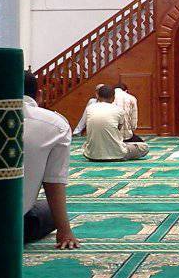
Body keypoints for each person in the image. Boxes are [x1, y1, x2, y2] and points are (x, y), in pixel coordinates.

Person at [22, 72, 79, 248]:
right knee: (46, 208)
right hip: (12, 227)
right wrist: (65, 231)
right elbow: (53, 181)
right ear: (39, 94)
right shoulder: (55, 124)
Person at [83, 85, 149, 161]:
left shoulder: (90, 108)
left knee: (85, 145)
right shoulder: (119, 110)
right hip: (117, 154)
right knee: (144, 147)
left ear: (97, 96)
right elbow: (118, 130)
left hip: (91, 154)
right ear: (113, 97)